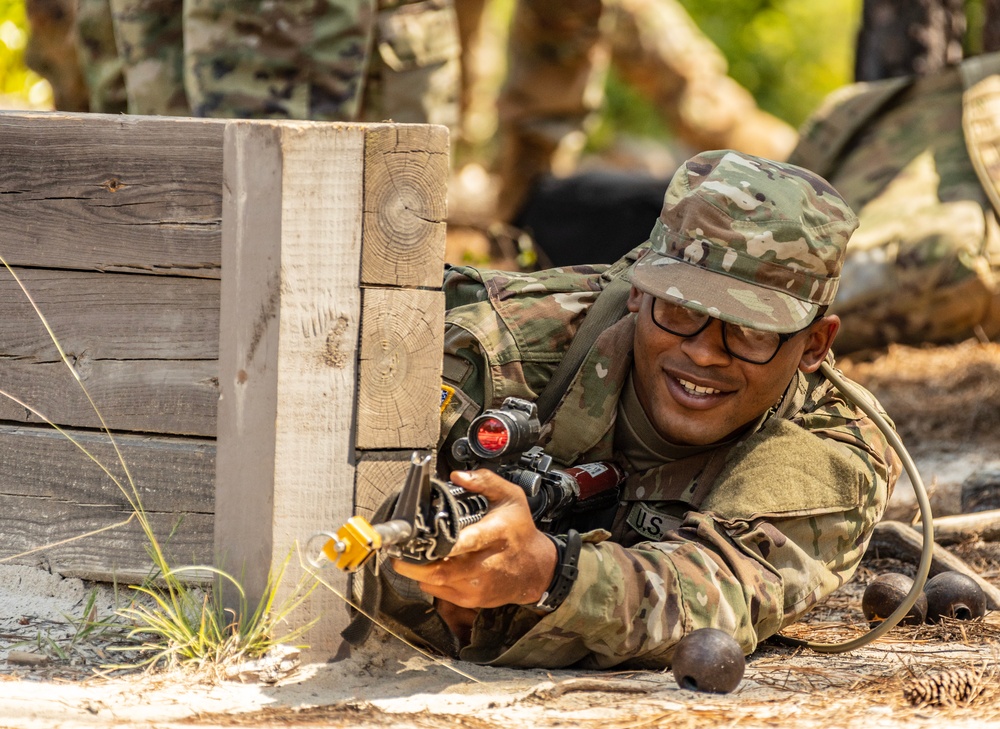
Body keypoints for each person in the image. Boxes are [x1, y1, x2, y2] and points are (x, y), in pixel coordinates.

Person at [381, 149, 899, 668]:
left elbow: (722, 597)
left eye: (750, 330)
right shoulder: (497, 349)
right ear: (637, 292)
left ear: (814, 345)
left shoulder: (834, 444)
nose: (703, 351)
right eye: (679, 308)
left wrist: (550, 575)